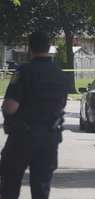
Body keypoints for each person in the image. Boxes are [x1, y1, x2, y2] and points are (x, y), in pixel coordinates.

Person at [0, 32, 67, 199]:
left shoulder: (24, 71)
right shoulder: (60, 74)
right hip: (49, 138)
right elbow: (62, 104)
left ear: (29, 48)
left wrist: (6, 114)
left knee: (10, 184)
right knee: (41, 188)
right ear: (48, 47)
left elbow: (11, 106)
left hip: (23, 137)